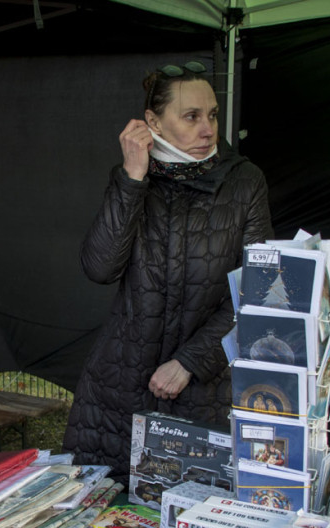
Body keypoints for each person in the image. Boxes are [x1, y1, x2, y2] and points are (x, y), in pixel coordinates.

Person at [63, 60, 273, 481]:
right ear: (152, 122)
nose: (208, 129)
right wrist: (133, 179)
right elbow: (100, 268)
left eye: (211, 115)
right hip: (120, 386)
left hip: (204, 385)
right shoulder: (131, 179)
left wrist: (191, 361)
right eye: (191, 116)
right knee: (106, 522)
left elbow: (260, 290)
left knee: (189, 516)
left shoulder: (244, 182)